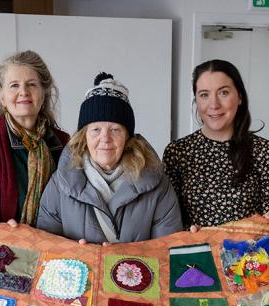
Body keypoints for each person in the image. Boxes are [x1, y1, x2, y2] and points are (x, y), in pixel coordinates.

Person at [36, 73, 182, 244]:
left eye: (115, 130)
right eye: (96, 130)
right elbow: (47, 246)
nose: (105, 138)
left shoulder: (157, 185)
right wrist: (78, 253)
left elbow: (167, 249)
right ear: (84, 136)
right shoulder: (60, 183)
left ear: (128, 137)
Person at [163, 59, 269, 226]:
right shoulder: (177, 152)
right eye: (204, 95)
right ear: (196, 101)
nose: (214, 104)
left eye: (223, 93)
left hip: (249, 251)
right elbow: (169, 222)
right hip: (196, 250)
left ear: (240, 97)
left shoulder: (263, 150)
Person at [0, 51, 69, 224]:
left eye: (32, 84)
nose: (24, 92)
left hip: (61, 246)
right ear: (2, 97)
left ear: (43, 94)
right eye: (14, 85)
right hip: (8, 249)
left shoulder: (64, 144)